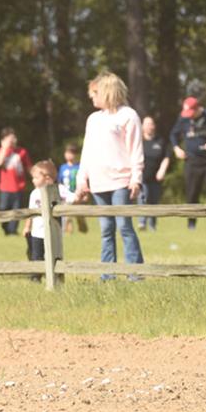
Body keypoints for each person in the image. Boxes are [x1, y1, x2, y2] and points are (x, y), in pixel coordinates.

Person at [74, 71, 144, 279]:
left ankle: (135, 273)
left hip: (121, 181)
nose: (91, 98)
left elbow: (136, 150)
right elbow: (86, 152)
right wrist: (81, 179)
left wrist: (136, 178)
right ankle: (107, 274)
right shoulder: (93, 119)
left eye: (94, 93)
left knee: (124, 226)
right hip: (98, 182)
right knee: (106, 229)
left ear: (107, 92)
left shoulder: (128, 116)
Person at [169, 95, 206, 230]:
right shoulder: (183, 119)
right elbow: (173, 135)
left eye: (191, 113)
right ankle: (191, 223)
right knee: (192, 193)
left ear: (198, 109)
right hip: (192, 161)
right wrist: (177, 148)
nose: (189, 116)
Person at [22, 160, 69, 281]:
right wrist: (27, 227)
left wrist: (80, 196)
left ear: (47, 178)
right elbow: (31, 212)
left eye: (36, 178)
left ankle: (57, 277)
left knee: (55, 255)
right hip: (37, 232)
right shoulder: (34, 193)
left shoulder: (60, 189)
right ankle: (35, 277)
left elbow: (71, 198)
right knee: (36, 255)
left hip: (54, 232)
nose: (33, 180)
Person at [0, 127, 31, 235]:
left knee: (17, 210)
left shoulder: (22, 152)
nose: (12, 140)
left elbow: (29, 167)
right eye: (9, 138)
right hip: (5, 187)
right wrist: (5, 148)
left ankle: (12, 231)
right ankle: (5, 227)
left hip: (19, 186)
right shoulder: (2, 151)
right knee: (3, 209)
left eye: (13, 137)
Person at [138, 116, 171, 231]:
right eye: (146, 124)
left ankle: (152, 225)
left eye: (151, 124)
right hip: (142, 177)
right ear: (142, 126)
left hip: (156, 178)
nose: (149, 126)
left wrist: (162, 170)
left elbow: (167, 157)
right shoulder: (138, 141)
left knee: (154, 201)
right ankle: (142, 222)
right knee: (144, 197)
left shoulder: (160, 141)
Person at [57, 143, 88, 235]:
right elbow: (60, 181)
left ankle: (82, 225)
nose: (69, 155)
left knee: (79, 213)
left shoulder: (79, 167)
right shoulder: (63, 167)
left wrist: (85, 194)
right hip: (66, 194)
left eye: (71, 153)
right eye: (67, 153)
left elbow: (85, 180)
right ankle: (69, 232)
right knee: (67, 214)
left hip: (78, 193)